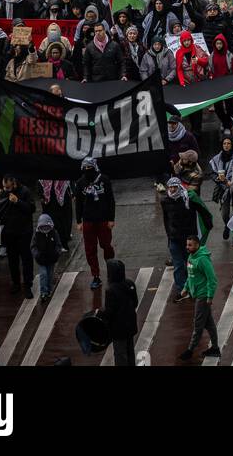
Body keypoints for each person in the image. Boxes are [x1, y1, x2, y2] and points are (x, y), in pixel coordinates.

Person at [74, 157, 116, 290]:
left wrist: (111, 219)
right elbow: (78, 203)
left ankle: (111, 269)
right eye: (85, 167)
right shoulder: (80, 182)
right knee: (90, 250)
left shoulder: (104, 179)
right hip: (88, 221)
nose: (88, 170)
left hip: (103, 220)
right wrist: (79, 221)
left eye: (90, 167)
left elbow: (111, 200)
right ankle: (96, 276)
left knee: (106, 245)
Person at [179, 234, 221, 360]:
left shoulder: (202, 259)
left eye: (190, 245)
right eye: (187, 244)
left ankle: (190, 350)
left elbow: (212, 279)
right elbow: (191, 275)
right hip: (197, 295)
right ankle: (215, 348)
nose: (187, 247)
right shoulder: (191, 256)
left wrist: (209, 296)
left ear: (197, 245)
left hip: (202, 296)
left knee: (198, 325)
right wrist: (185, 289)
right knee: (209, 324)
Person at [0, 174, 35, 299]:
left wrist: (18, 202)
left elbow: (31, 208)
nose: (6, 190)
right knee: (12, 260)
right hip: (9, 232)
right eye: (4, 187)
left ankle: (28, 285)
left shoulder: (25, 191)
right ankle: (16, 283)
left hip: (24, 232)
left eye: (8, 187)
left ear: (14, 184)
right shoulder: (4, 193)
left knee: (26, 259)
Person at [98, 258, 139, 366]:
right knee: (130, 351)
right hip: (130, 324)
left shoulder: (111, 290)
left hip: (118, 328)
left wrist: (101, 314)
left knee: (120, 354)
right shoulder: (130, 284)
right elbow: (135, 303)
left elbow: (110, 312)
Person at [31, 212, 63, 303]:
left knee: (49, 275)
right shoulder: (37, 234)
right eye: (43, 227)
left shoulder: (54, 233)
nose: (45, 229)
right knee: (43, 274)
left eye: (46, 226)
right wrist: (36, 254)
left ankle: (49, 289)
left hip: (51, 259)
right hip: (41, 259)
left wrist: (57, 253)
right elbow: (33, 246)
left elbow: (58, 245)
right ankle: (43, 292)